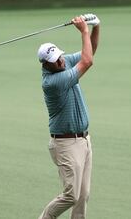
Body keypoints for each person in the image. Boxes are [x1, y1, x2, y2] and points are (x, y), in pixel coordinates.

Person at [38, 13, 101, 219]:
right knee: (71, 195)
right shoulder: (53, 83)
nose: (60, 61)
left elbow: (89, 51)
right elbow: (87, 62)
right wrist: (83, 30)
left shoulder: (63, 63)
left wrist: (96, 26)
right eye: (55, 61)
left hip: (83, 140)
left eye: (59, 56)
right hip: (66, 144)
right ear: (45, 64)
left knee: (83, 196)